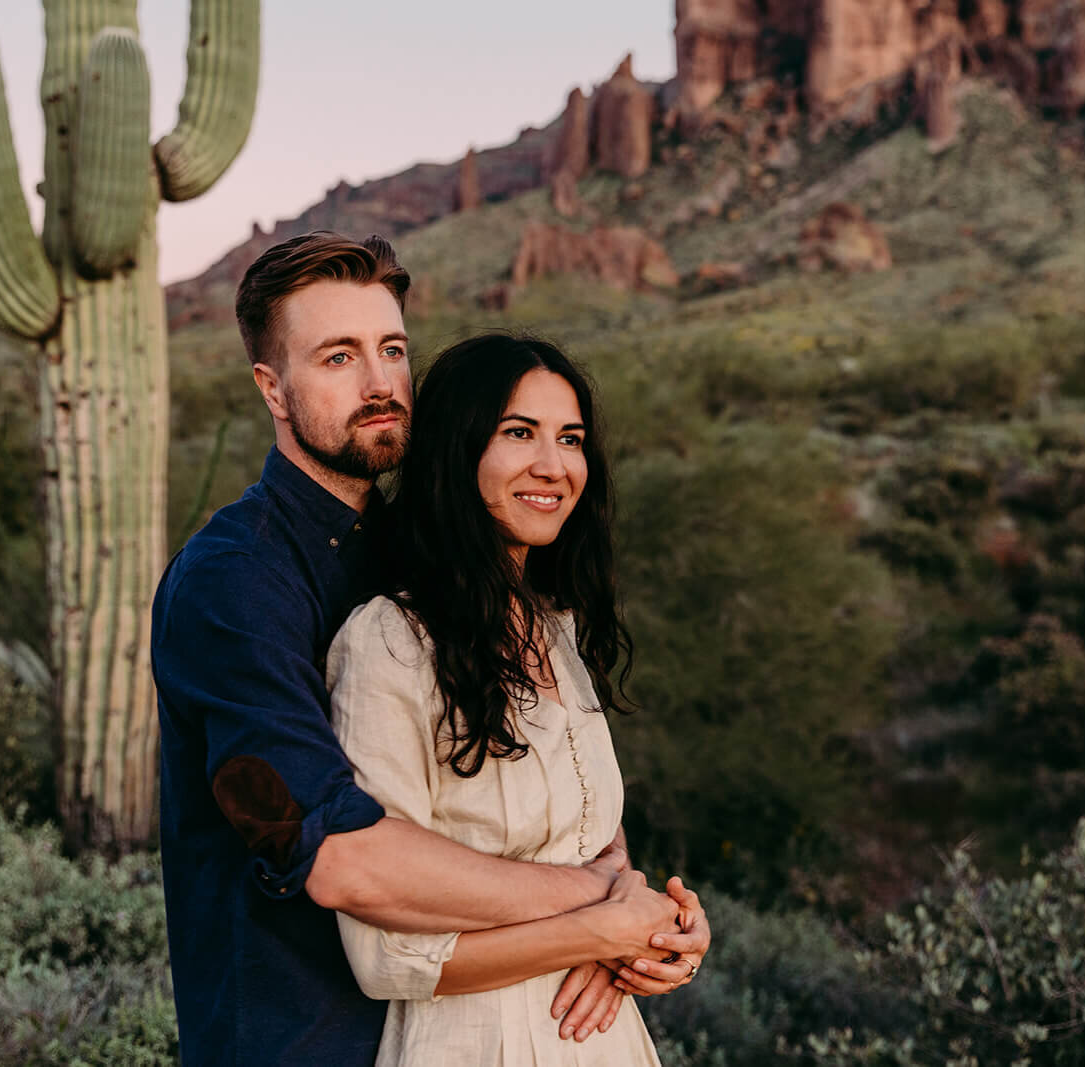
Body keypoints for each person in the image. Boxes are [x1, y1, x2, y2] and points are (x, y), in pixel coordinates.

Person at [150, 233, 703, 1066]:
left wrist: (642, 924)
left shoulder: (439, 570)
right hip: (302, 1039)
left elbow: (543, 817)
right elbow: (342, 859)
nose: (379, 384)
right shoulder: (236, 585)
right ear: (272, 386)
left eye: (393, 350)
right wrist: (594, 906)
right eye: (338, 357)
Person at [326, 333, 707, 1064]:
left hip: (608, 1044)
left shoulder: (556, 631)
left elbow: (593, 845)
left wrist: (667, 933)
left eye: (570, 438)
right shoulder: (391, 643)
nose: (553, 465)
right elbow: (382, 956)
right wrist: (600, 928)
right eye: (518, 433)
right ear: (457, 449)